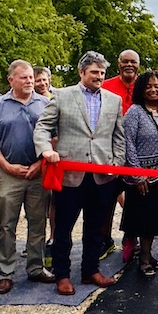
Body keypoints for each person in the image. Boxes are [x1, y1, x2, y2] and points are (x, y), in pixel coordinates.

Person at [34, 50, 125, 295]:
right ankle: (62, 275)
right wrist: (45, 150)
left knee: (96, 228)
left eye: (103, 73)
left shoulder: (114, 100)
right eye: (94, 72)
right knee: (63, 228)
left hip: (102, 176)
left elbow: (118, 136)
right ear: (81, 72)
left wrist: (117, 162)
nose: (99, 77)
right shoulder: (62, 96)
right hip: (70, 175)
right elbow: (42, 126)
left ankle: (90, 270)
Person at [0, 60, 54, 295]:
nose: (29, 81)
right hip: (8, 174)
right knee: (6, 224)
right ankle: (6, 273)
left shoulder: (45, 104)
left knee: (37, 222)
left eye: (31, 77)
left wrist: (38, 164)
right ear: (10, 79)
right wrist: (5, 165)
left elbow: (54, 138)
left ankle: (36, 267)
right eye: (23, 77)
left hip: (37, 172)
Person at [122, 71, 158, 277]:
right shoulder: (134, 112)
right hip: (142, 179)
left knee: (156, 220)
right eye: (148, 87)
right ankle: (143, 260)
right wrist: (137, 174)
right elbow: (128, 144)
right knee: (144, 221)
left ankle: (148, 254)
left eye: (157, 86)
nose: (154, 90)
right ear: (141, 90)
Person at [101, 49, 140, 259]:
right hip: (110, 150)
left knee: (135, 199)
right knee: (107, 198)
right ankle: (105, 239)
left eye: (133, 62)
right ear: (118, 64)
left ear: (138, 65)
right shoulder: (106, 86)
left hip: (137, 152)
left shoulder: (143, 87)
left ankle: (131, 237)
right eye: (125, 61)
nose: (129, 65)